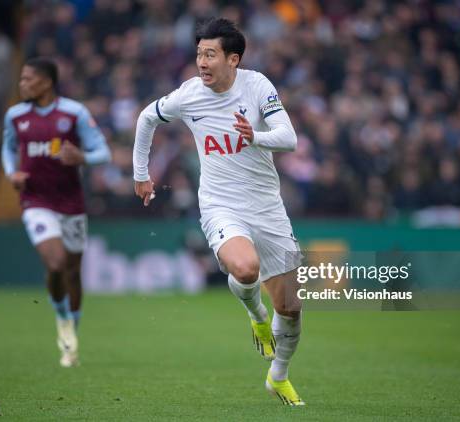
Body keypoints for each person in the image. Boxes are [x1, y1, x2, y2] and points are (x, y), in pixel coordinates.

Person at [133, 18, 304, 405]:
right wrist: (141, 174)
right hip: (220, 204)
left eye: (210, 54)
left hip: (267, 207)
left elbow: (289, 138)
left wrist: (254, 136)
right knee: (245, 268)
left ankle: (278, 376)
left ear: (233, 59)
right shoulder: (188, 95)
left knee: (291, 308)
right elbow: (147, 117)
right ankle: (257, 315)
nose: (202, 62)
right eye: (198, 54)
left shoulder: (257, 85)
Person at [1, 57, 111, 367]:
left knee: (73, 273)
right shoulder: (15, 116)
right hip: (36, 201)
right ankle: (62, 319)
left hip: (71, 203)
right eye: (21, 79)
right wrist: (12, 173)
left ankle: (70, 338)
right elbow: (8, 149)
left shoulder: (74, 113)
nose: (22, 84)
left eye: (27, 79)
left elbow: (102, 152)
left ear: (46, 82)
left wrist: (82, 157)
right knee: (56, 262)